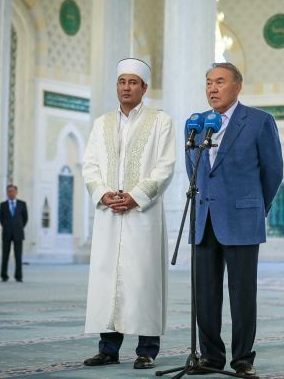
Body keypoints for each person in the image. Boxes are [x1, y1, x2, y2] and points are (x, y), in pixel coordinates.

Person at [185, 62, 283, 377]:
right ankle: (211, 357)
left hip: (242, 220)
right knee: (205, 294)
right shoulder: (196, 124)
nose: (212, 88)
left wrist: (254, 207)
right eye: (208, 82)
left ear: (237, 86)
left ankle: (242, 358)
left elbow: (273, 172)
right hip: (204, 220)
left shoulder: (258, 121)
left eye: (220, 82)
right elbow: (193, 170)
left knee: (242, 295)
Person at [81, 58, 175, 370]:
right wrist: (102, 193)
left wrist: (136, 197)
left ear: (144, 88)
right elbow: (90, 165)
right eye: (122, 82)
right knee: (107, 280)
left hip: (142, 216)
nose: (126, 88)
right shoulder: (102, 123)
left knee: (144, 280)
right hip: (109, 214)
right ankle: (108, 348)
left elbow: (165, 167)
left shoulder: (161, 121)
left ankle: (147, 350)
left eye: (133, 82)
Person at [0, 184, 28, 282]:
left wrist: (19, 227)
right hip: (6, 233)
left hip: (18, 233)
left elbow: (25, 218)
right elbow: (1, 219)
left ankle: (18, 276)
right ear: (7, 193)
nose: (10, 193)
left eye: (12, 191)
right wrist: (7, 227)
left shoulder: (22, 204)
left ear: (16, 192)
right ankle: (4, 275)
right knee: (5, 256)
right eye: (9, 191)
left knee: (18, 256)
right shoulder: (3, 205)